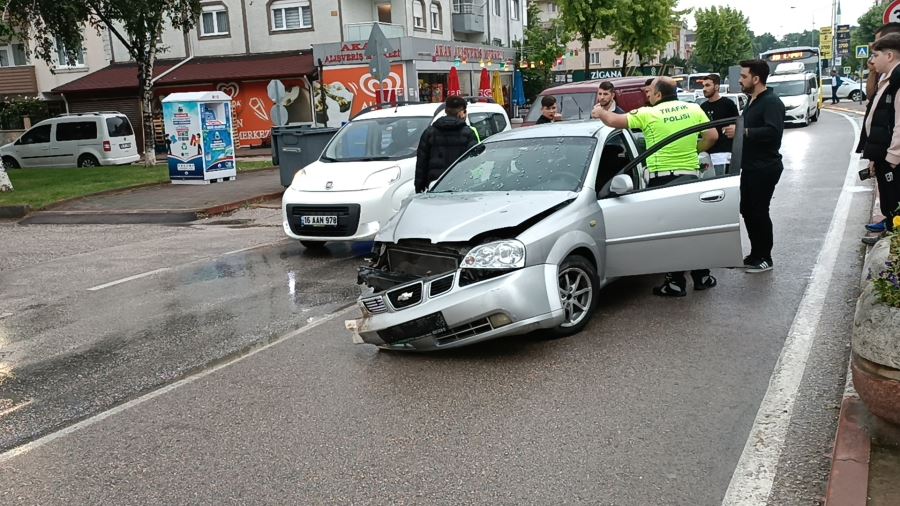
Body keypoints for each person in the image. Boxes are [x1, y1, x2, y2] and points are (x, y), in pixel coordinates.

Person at [593, 76, 719, 297]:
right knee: (691, 231)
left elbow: (614, 121)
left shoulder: (648, 113)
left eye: (650, 91)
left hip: (662, 182)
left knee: (669, 234)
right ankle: (702, 277)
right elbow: (712, 136)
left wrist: (599, 112)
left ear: (660, 94)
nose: (647, 95)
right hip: (690, 177)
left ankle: (675, 283)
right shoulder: (694, 109)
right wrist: (693, 151)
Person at [723, 59, 786, 273]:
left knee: (759, 211)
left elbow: (773, 132)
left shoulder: (771, 102)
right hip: (750, 166)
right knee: (748, 210)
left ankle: (765, 257)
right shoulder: (753, 100)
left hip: (765, 167)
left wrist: (744, 132)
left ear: (756, 79)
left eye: (743, 76)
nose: (740, 80)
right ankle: (755, 253)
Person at [860, 23, 900, 235]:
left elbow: (899, 124)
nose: (872, 60)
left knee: (894, 205)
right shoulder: (888, 79)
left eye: (876, 55)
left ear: (890, 56)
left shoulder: (897, 80)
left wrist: (892, 159)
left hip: (892, 160)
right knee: (890, 204)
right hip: (884, 155)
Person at [414, 95, 478, 193]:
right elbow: (475, 161)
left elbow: (421, 164)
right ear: (461, 113)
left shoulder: (429, 133)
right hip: (462, 186)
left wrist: (419, 188)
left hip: (435, 186)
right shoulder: (468, 133)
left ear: (446, 111)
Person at [699, 74, 739, 176]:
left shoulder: (728, 104)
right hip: (707, 155)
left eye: (707, 85)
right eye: (703, 86)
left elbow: (738, 125)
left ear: (716, 87)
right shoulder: (703, 107)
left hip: (724, 154)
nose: (704, 89)